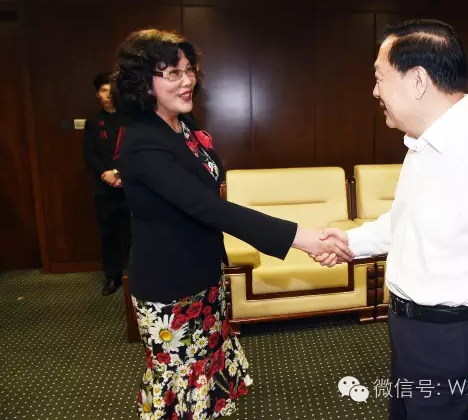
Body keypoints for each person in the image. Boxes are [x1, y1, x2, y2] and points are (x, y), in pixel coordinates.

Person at [315, 19, 468, 420]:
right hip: (410, 332)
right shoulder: (422, 146)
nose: (374, 91)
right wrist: (349, 242)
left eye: (379, 77)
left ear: (417, 80)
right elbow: (405, 222)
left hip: (457, 341)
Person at [111, 29, 352, 420]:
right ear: (143, 82)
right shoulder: (142, 142)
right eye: (173, 73)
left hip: (203, 273)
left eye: (189, 70)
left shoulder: (181, 126)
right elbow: (209, 208)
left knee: (205, 377)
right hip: (169, 285)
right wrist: (301, 237)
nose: (187, 80)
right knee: (180, 387)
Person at [83, 72, 130, 296]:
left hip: (130, 185)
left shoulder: (130, 118)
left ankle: (137, 275)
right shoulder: (93, 121)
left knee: (135, 233)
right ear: (97, 94)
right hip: (104, 188)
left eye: (111, 91)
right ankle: (113, 277)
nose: (108, 95)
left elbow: (135, 151)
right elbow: (89, 154)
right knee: (108, 234)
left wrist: (118, 172)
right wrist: (106, 173)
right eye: (103, 90)